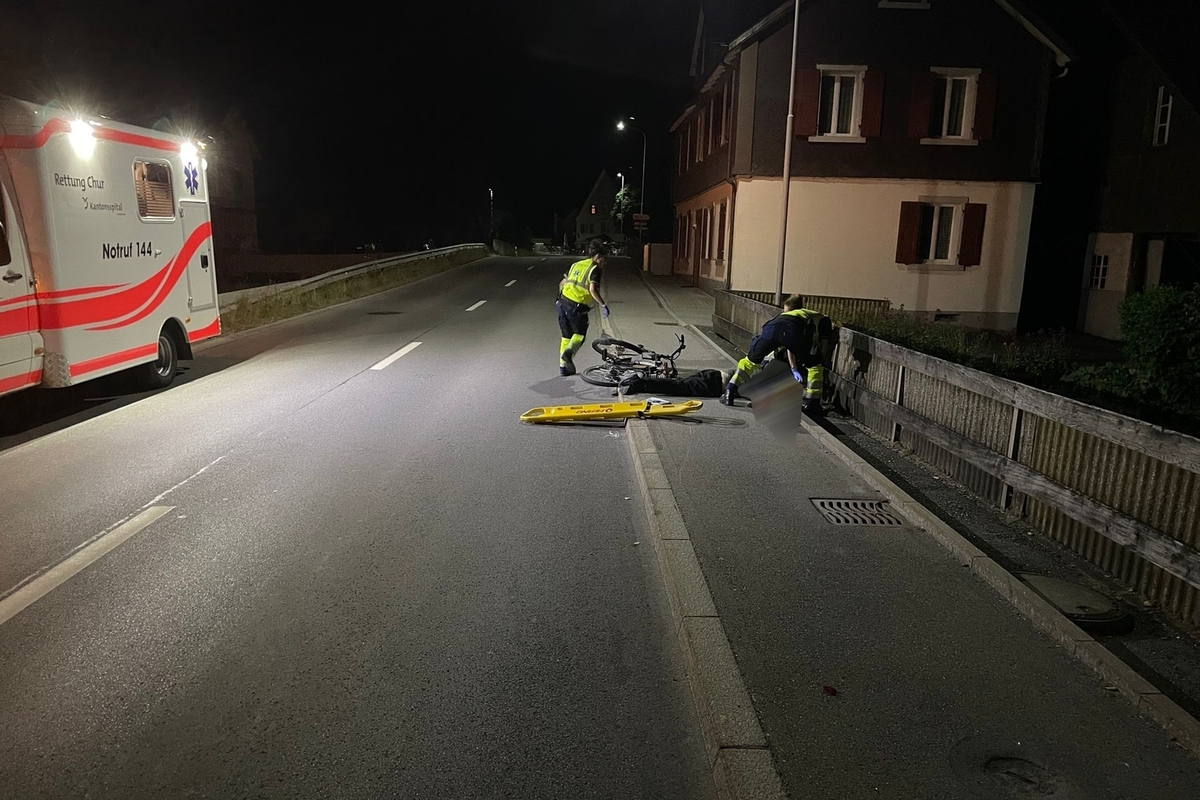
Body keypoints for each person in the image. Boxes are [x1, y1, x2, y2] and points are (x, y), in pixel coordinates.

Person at [720, 295, 833, 410]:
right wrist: (820, 361)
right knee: (815, 367)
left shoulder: (783, 315)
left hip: (770, 328)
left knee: (749, 361)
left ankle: (729, 391)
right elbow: (823, 343)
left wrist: (794, 368)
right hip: (792, 332)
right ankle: (812, 403)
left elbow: (788, 345)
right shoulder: (822, 319)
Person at [556, 244, 610, 376]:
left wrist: (560, 298)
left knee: (566, 336)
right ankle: (568, 354)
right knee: (580, 335)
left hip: (562, 302)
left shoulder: (576, 264)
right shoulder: (594, 269)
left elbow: (562, 283)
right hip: (576, 306)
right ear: (597, 256)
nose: (605, 263)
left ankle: (563, 368)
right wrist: (603, 305)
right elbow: (592, 290)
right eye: (604, 259)